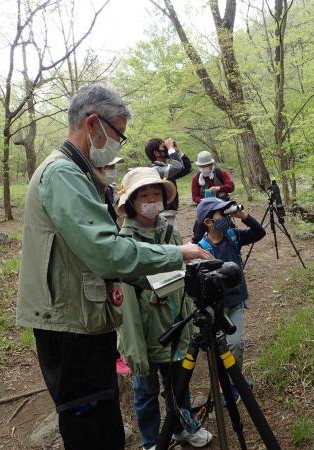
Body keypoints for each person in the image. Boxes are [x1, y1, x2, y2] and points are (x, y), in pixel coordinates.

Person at [16, 84, 211, 450]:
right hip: (70, 327)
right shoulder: (63, 174)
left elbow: (101, 255)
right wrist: (178, 254)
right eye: (118, 134)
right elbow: (107, 251)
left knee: (102, 423)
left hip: (83, 318)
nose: (118, 144)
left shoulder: (79, 173)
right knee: (93, 429)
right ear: (93, 124)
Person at [116, 167, 213, 450]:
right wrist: (133, 346)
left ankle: (182, 428)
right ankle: (150, 442)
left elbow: (180, 276)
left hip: (177, 321)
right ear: (131, 202)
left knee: (179, 383)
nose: (151, 200)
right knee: (146, 390)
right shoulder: (125, 242)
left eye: (156, 194)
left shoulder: (170, 231)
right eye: (143, 195)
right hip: (146, 332)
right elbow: (126, 299)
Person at [195, 197, 266, 402]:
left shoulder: (233, 236)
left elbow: (259, 233)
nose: (227, 217)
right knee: (219, 347)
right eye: (222, 214)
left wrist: (243, 215)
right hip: (216, 307)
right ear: (208, 222)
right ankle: (225, 384)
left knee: (236, 344)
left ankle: (235, 381)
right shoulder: (202, 248)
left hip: (235, 302)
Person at [144, 137, 192, 225]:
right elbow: (177, 166)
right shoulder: (156, 170)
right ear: (156, 153)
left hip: (169, 213)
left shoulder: (165, 169)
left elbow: (187, 168)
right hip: (162, 215)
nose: (167, 149)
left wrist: (177, 151)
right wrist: (170, 149)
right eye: (164, 147)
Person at [94, 155, 124, 225]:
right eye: (110, 167)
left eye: (114, 167)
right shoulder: (93, 192)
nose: (113, 170)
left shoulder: (112, 189)